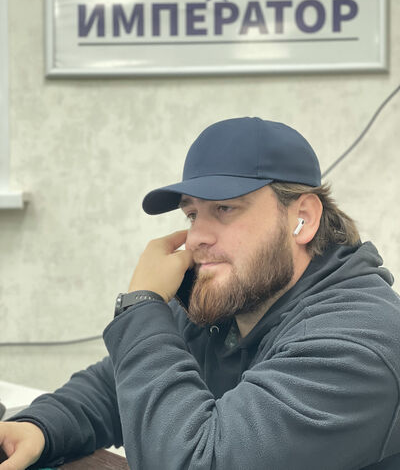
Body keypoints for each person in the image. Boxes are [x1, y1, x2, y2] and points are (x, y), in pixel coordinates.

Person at [1, 117, 400, 470]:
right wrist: (39, 427)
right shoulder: (239, 300)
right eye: (192, 214)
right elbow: (117, 386)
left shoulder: (355, 345)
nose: (195, 238)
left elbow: (194, 461)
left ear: (303, 218)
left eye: (225, 209)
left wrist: (143, 305)